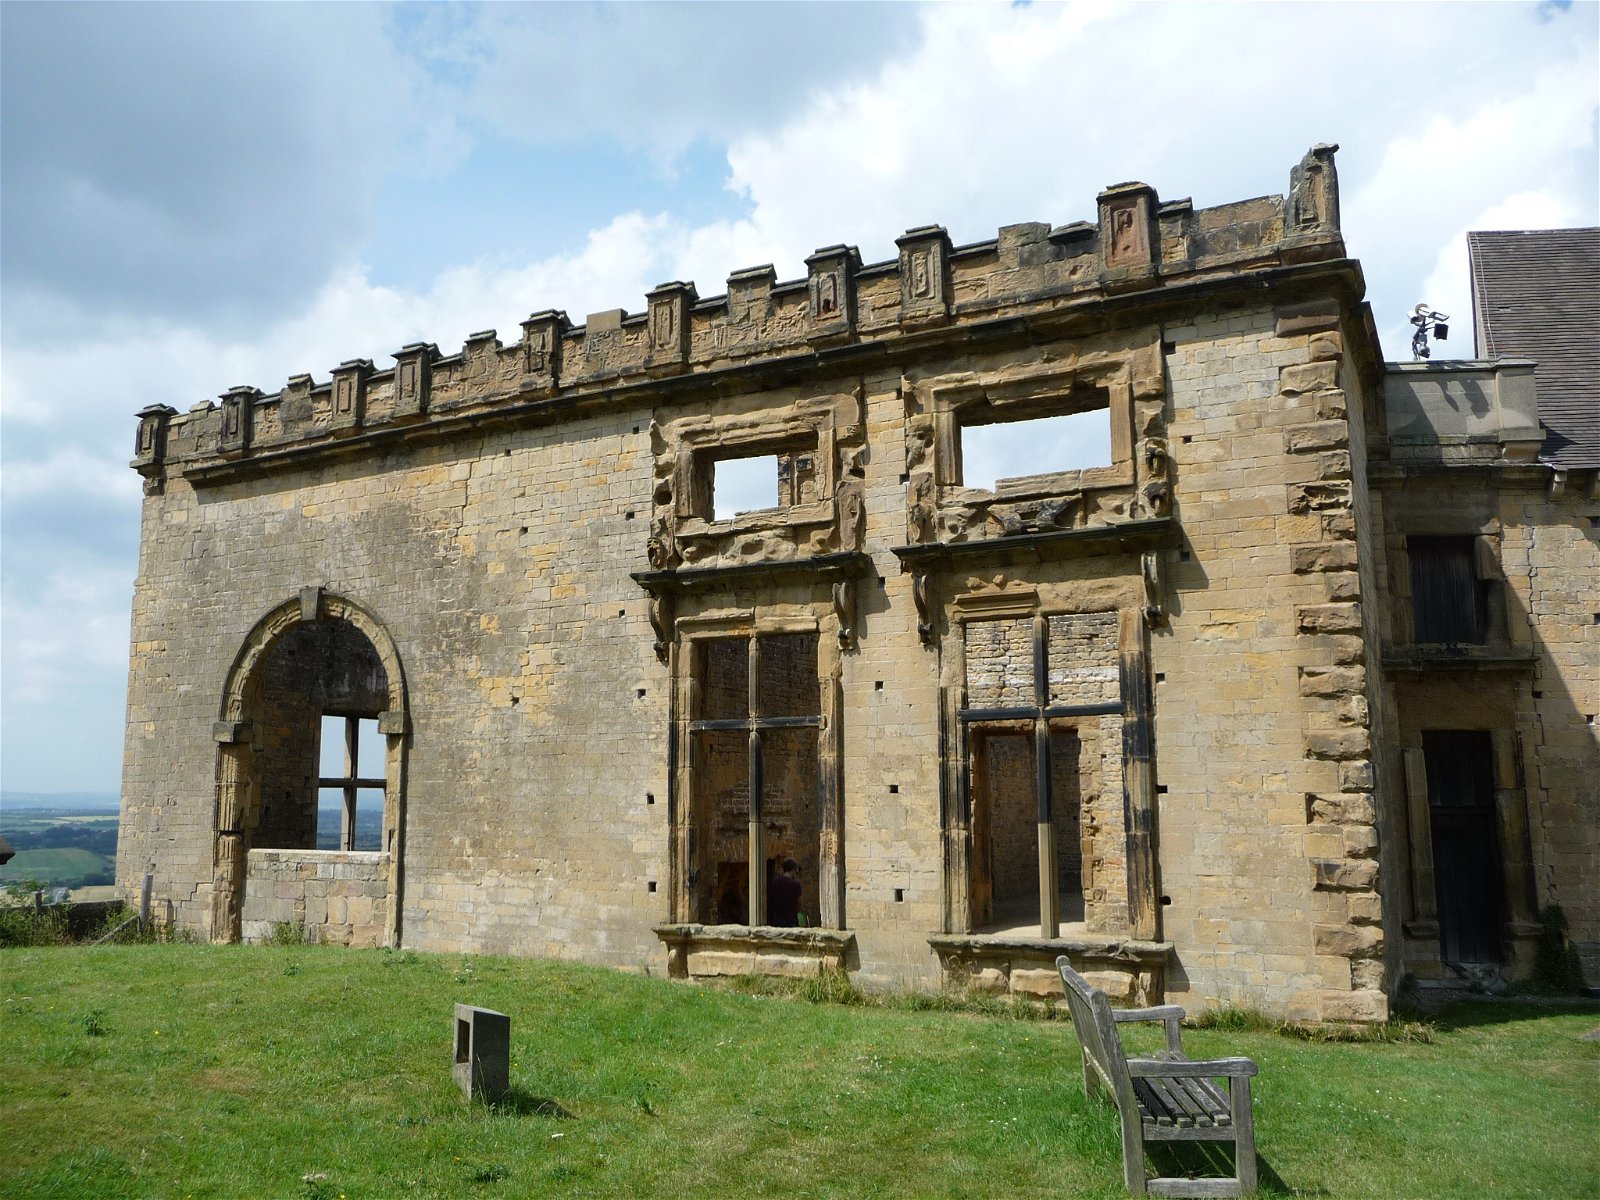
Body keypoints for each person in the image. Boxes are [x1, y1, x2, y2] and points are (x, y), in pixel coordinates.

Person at [768, 858, 802, 927]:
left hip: (777, 917)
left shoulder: (775, 881)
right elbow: (800, 902)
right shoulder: (795, 884)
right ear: (793, 870)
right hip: (791, 918)